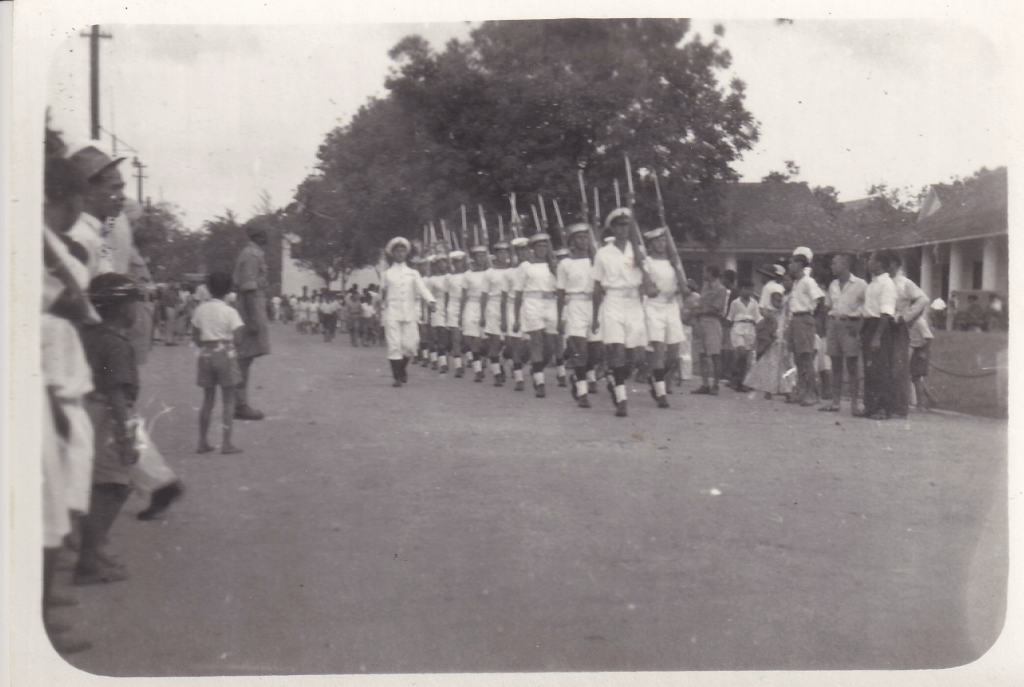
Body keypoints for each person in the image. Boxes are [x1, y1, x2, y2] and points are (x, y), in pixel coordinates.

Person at [75, 273, 142, 585]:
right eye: (132, 304)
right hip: (106, 415)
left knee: (103, 485)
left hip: (88, 411)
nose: (136, 311)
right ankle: (90, 558)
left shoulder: (92, 335)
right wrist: (125, 435)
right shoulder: (115, 344)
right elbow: (116, 392)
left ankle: (93, 551)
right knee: (112, 485)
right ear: (120, 308)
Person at [592, 208, 650, 416]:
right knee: (616, 349)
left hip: (633, 302)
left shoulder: (636, 251)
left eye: (626, 225)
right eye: (619, 225)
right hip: (613, 301)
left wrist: (639, 261)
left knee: (636, 355)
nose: (623, 229)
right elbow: (597, 286)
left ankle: (613, 378)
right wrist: (594, 317)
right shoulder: (603, 253)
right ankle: (621, 398)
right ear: (612, 228)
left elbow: (644, 280)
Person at [191, 272, 245, 454]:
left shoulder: (200, 309)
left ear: (208, 288)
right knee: (229, 400)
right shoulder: (231, 311)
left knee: (208, 400)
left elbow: (195, 336)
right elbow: (238, 338)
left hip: (205, 354)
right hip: (224, 354)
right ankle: (226, 443)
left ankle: (202, 442)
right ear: (229, 290)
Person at [641, 227, 689, 408]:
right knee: (659, 349)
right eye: (657, 241)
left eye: (663, 241)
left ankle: (655, 376)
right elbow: (643, 284)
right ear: (651, 244)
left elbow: (682, 286)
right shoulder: (647, 262)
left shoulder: (672, 262)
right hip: (654, 306)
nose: (661, 244)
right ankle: (660, 393)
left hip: (671, 307)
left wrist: (682, 288)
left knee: (674, 354)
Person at [65, 141, 126, 279]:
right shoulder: (80, 236)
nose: (122, 197)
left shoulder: (95, 233)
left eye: (121, 188)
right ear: (89, 193)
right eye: (114, 188)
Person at [381, 237, 436, 386]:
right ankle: (397, 377)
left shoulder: (413, 273)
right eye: (397, 251)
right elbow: (382, 294)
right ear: (392, 254)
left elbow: (422, 288)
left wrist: (430, 301)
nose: (400, 254)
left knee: (411, 346)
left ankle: (401, 369)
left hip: (409, 313)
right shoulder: (386, 274)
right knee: (394, 345)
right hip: (392, 313)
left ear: (406, 253)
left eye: (402, 251)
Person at [557, 223, 599, 407]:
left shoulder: (596, 261)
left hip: (594, 306)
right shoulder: (565, 264)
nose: (583, 240)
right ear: (572, 241)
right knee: (579, 350)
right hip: (574, 305)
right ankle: (582, 392)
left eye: (586, 237)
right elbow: (560, 293)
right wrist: (560, 317)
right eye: (579, 237)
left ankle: (577, 377)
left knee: (596, 353)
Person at [232, 225, 271, 420]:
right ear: (258, 234)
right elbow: (248, 289)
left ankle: (239, 402)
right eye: (265, 231)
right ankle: (240, 404)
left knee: (245, 359)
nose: (268, 234)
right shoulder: (252, 255)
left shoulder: (254, 253)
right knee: (244, 359)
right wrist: (253, 320)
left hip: (253, 306)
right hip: (251, 309)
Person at [514, 233, 559, 398]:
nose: (542, 249)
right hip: (532, 304)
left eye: (544, 246)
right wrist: (517, 317)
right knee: (537, 342)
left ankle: (536, 366)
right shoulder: (525, 266)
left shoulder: (552, 266)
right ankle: (540, 382)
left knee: (551, 346)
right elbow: (518, 293)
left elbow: (559, 288)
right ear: (533, 249)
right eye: (538, 246)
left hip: (550, 305)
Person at [820, 254, 866, 414]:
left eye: (834, 264)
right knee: (835, 363)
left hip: (850, 325)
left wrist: (859, 325)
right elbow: (828, 305)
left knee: (852, 365)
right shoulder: (833, 284)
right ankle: (835, 402)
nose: (831, 267)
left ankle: (854, 404)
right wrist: (827, 322)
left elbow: (867, 307)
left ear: (845, 264)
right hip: (834, 325)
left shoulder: (860, 284)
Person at [856, 251, 898, 419]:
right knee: (869, 368)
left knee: (880, 368)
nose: (868, 262)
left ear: (880, 263)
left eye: (871, 259)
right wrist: (862, 332)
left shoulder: (887, 284)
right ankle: (870, 406)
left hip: (880, 327)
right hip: (869, 325)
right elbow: (867, 311)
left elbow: (886, 313)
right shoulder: (872, 284)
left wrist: (877, 337)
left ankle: (882, 408)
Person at [889, 255, 929, 418]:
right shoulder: (882, 282)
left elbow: (923, 299)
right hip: (883, 325)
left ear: (897, 265)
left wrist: (906, 317)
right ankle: (889, 403)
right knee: (887, 366)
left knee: (899, 367)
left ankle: (901, 406)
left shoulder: (904, 283)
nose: (888, 267)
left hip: (898, 327)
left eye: (891, 265)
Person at [785, 253, 825, 406]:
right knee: (798, 359)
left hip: (804, 319)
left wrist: (814, 319)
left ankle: (812, 393)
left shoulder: (808, 281)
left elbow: (820, 300)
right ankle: (802, 391)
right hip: (795, 319)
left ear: (800, 265)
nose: (790, 266)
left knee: (806, 358)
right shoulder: (796, 283)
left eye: (792, 263)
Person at [743, 291, 793, 400]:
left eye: (779, 301)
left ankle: (786, 390)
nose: (777, 303)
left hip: (781, 340)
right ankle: (769, 389)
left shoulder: (785, 312)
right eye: (775, 300)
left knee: (783, 366)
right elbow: (766, 319)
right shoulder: (770, 310)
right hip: (771, 341)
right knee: (769, 365)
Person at [690, 265, 728, 396]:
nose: (703, 274)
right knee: (702, 354)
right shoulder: (705, 287)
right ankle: (705, 384)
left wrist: (699, 311)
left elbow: (715, 309)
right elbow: (700, 303)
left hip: (712, 322)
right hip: (702, 322)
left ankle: (716, 385)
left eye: (705, 271)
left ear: (711, 273)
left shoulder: (721, 289)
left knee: (715, 355)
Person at [482, 240, 512, 386]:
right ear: (495, 254)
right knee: (495, 342)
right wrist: (482, 315)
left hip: (510, 307)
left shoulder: (513, 271)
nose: (503, 255)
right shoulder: (489, 273)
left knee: (511, 343)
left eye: (505, 252)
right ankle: (497, 374)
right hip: (493, 307)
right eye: (500, 252)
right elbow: (484, 295)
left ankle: (501, 363)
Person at [461, 245, 490, 382]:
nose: (481, 259)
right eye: (478, 256)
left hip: (488, 306)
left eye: (483, 256)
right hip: (471, 306)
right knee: (473, 339)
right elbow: (464, 295)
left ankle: (489, 361)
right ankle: (478, 369)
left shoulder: (490, 273)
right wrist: (461, 314)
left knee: (488, 339)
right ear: (473, 258)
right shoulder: (468, 275)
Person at [726, 280, 761, 392]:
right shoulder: (735, 303)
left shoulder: (754, 303)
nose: (748, 291)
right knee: (742, 354)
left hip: (750, 329)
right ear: (740, 290)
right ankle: (738, 379)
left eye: (750, 289)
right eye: (745, 289)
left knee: (746, 358)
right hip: (738, 328)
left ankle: (738, 379)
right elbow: (730, 317)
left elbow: (758, 318)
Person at [909, 315, 937, 410]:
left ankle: (920, 404)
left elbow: (929, 337)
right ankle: (931, 398)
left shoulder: (920, 322)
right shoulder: (912, 320)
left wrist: (924, 351)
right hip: (916, 350)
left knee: (916, 378)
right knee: (914, 378)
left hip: (921, 350)